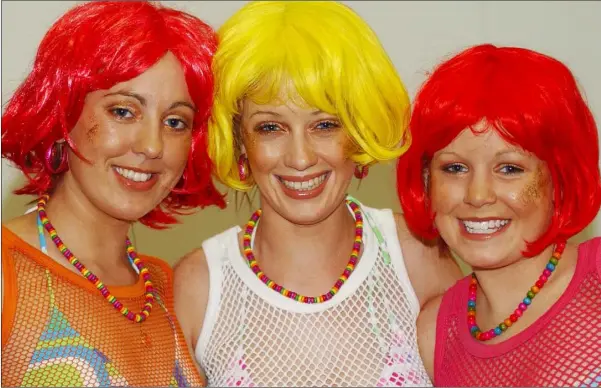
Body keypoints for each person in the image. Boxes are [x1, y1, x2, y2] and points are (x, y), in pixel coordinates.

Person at [174, 2, 461, 386]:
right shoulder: (197, 288)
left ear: (358, 131)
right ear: (239, 139)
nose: (300, 157)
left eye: (324, 125)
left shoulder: (418, 258)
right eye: (270, 128)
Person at [1, 1, 225, 386]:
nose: (153, 145)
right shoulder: (7, 273)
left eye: (175, 122)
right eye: (123, 112)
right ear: (63, 112)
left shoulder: (171, 290)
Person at [396, 44, 601, 386]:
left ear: (561, 179)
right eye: (455, 167)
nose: (478, 195)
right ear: (427, 181)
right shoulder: (434, 336)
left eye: (509, 168)